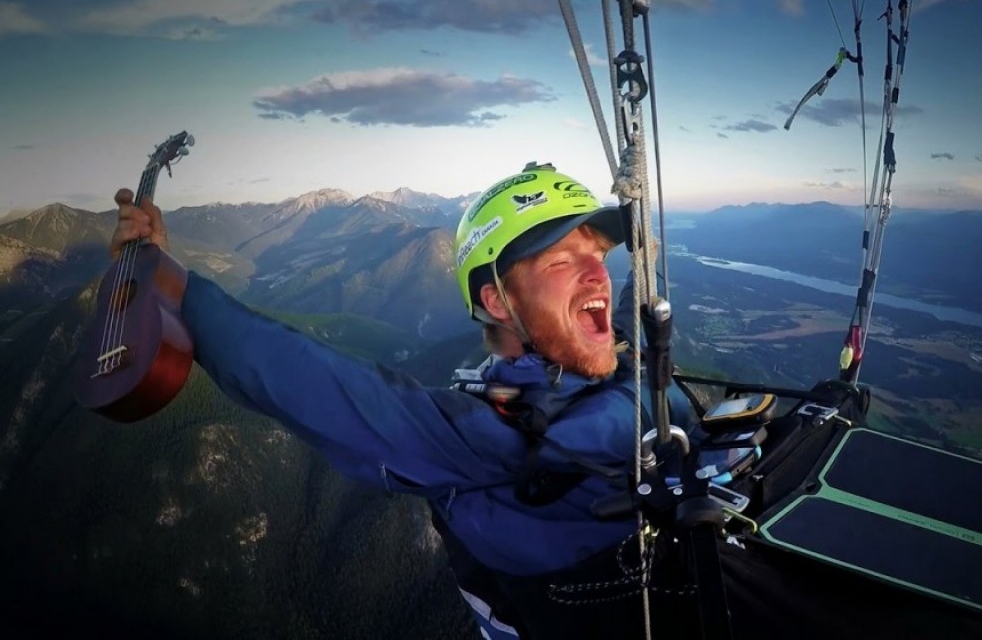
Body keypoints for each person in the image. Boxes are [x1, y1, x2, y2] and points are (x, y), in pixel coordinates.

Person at [108, 161, 701, 640]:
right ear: (499, 302)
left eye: (598, 255)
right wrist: (173, 288)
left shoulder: (612, 359)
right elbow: (312, 383)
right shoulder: (487, 437)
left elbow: (631, 317)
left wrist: (642, 257)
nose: (597, 275)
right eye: (561, 261)